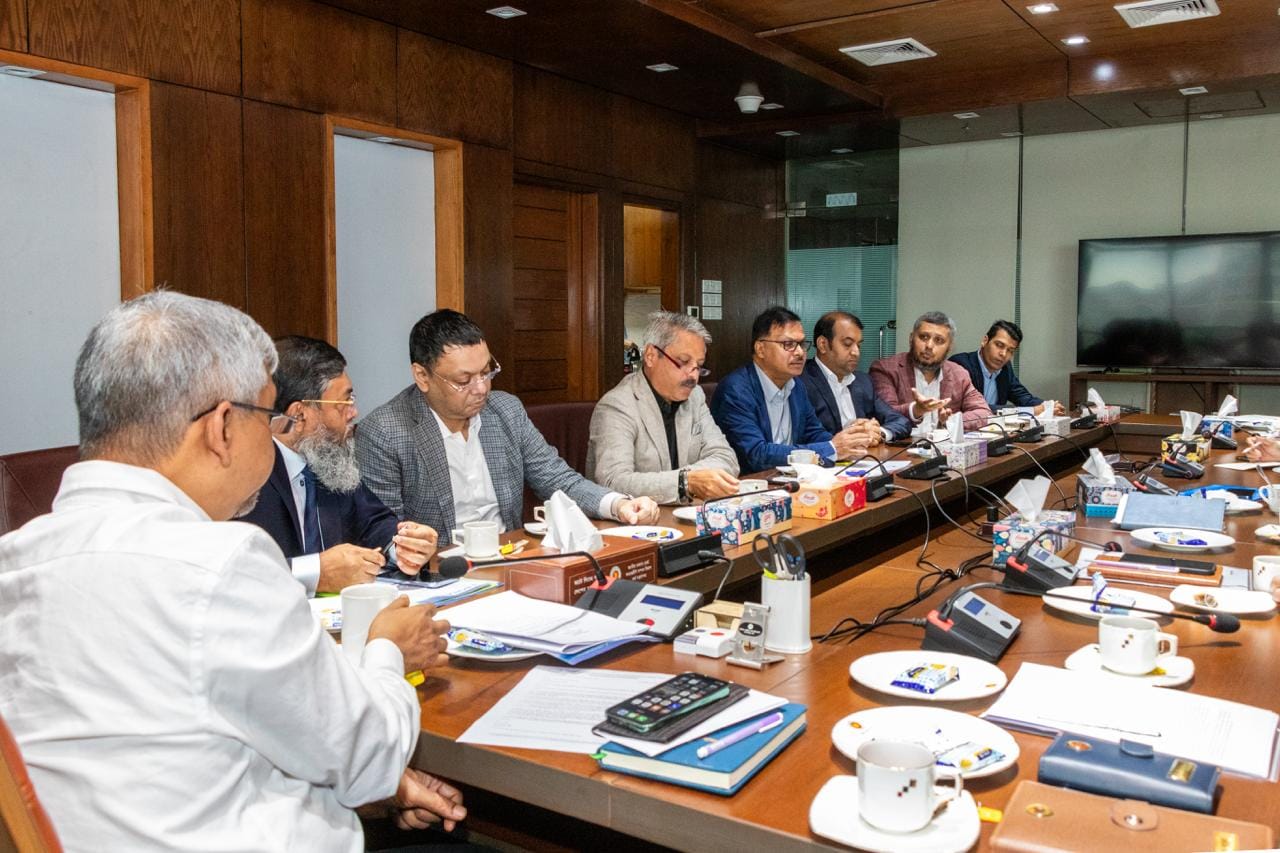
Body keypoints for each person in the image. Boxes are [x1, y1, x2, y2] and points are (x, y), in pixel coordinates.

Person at [0, 291, 462, 851]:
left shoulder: (15, 563)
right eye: (266, 418)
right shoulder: (219, 564)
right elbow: (370, 756)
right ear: (221, 428)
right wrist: (387, 649)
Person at [356, 309, 659, 544]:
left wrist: (618, 505)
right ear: (422, 377)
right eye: (464, 380)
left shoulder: (505, 411)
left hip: (510, 559)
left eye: (486, 372)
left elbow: (557, 479)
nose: (481, 389)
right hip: (439, 574)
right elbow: (384, 532)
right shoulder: (386, 433)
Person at [240, 336, 438, 595]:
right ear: (299, 414)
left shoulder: (327, 459)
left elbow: (374, 522)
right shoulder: (243, 474)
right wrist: (314, 573)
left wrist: (403, 545)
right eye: (344, 403)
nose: (354, 413)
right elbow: (234, 571)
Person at [587, 311, 739, 503]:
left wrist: (691, 480)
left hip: (685, 512)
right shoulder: (618, 405)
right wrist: (685, 482)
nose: (694, 376)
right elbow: (613, 481)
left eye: (699, 365)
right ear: (651, 356)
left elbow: (726, 457)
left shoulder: (695, 396)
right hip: (633, 519)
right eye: (683, 362)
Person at [711, 306, 871, 473]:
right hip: (752, 482)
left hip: (791, 478)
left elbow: (813, 432)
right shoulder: (736, 390)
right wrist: (831, 449)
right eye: (788, 344)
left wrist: (849, 444)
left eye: (801, 344)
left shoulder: (796, 385)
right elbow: (756, 454)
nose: (800, 353)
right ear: (760, 349)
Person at [870, 311, 993, 433]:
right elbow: (884, 414)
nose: (929, 345)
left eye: (939, 340)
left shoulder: (959, 374)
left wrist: (952, 421)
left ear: (949, 347)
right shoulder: (886, 369)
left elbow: (984, 413)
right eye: (923, 337)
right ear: (911, 338)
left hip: (943, 445)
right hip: (903, 445)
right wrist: (916, 410)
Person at [799, 310, 910, 444]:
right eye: (847, 344)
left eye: (859, 345)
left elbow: (900, 421)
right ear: (823, 344)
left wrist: (878, 433)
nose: (856, 352)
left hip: (866, 456)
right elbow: (806, 435)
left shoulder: (863, 382)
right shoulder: (801, 381)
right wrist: (856, 436)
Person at [949, 319, 1066, 417]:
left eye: (1010, 350)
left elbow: (1023, 397)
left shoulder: (1005, 368)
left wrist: (1048, 406)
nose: (1004, 354)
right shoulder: (960, 365)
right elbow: (978, 408)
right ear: (985, 341)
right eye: (999, 345)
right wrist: (1032, 411)